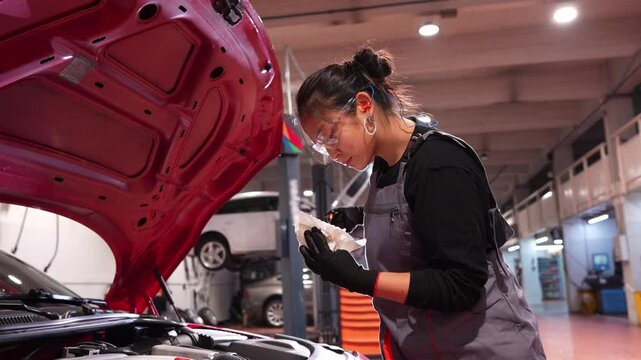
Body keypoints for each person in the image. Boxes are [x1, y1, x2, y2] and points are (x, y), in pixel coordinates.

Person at [296, 47, 546, 359]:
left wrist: (358, 279)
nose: (330, 153)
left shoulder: (439, 164)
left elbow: (460, 284)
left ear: (363, 106)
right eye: (320, 147)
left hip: (481, 349)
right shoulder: (388, 167)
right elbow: (420, 218)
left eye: (329, 135)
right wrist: (361, 216)